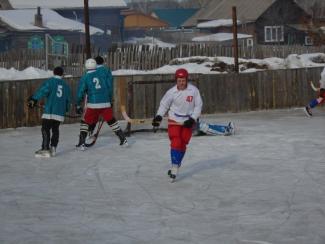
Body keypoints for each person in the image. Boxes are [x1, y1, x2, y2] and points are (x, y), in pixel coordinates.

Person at [152, 68, 203, 181]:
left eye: (183, 80)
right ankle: (174, 168)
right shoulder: (171, 92)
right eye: (179, 80)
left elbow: (198, 106)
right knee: (176, 140)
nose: (181, 82)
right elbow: (164, 105)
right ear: (176, 80)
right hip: (174, 120)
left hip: (188, 121)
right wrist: (159, 116)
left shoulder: (194, 91)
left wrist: (193, 119)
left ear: (186, 80)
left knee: (183, 143)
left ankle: (177, 163)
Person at [75, 58, 128, 149]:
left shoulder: (85, 77)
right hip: (105, 102)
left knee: (85, 121)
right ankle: (123, 139)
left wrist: (78, 104)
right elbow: (108, 87)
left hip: (93, 104)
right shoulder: (102, 74)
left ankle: (82, 142)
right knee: (111, 121)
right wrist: (110, 100)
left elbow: (81, 91)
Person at [27, 66, 71, 157]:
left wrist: (33, 99)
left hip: (50, 111)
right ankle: (53, 147)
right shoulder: (66, 85)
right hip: (59, 112)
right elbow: (68, 100)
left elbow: (43, 91)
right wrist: (65, 109)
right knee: (55, 129)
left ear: (54, 73)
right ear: (62, 74)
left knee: (45, 129)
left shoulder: (50, 82)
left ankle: (45, 148)